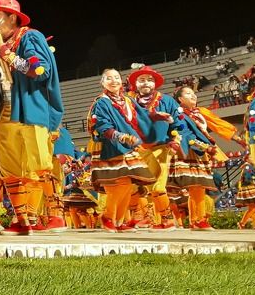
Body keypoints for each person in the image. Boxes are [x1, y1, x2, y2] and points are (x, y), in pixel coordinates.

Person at [0, 0, 63, 236]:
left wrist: (6, 53)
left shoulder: (30, 36)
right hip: (3, 112)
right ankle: (22, 220)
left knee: (35, 164)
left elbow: (40, 70)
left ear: (13, 18)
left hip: (30, 108)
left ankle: (34, 216)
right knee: (10, 167)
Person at [87, 69, 156, 233]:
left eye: (116, 77)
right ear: (102, 83)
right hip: (109, 146)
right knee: (115, 185)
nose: (113, 81)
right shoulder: (101, 103)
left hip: (127, 147)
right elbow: (102, 125)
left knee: (126, 184)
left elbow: (142, 119)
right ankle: (108, 218)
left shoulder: (128, 101)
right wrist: (121, 136)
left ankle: (117, 221)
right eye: (109, 78)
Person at [171, 85, 244, 230]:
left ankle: (198, 220)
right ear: (180, 99)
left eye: (193, 93)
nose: (193, 96)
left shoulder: (201, 112)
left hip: (202, 152)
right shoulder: (177, 114)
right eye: (188, 93)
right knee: (176, 190)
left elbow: (219, 125)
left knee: (199, 187)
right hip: (185, 152)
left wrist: (240, 140)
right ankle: (163, 220)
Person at [126, 65, 181, 230]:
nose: (145, 83)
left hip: (161, 148)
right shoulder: (129, 102)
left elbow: (179, 123)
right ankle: (145, 218)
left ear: (155, 83)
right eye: (141, 80)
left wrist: (175, 139)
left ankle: (167, 219)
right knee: (136, 187)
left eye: (149, 80)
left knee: (157, 186)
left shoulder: (166, 100)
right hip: (138, 149)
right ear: (135, 84)